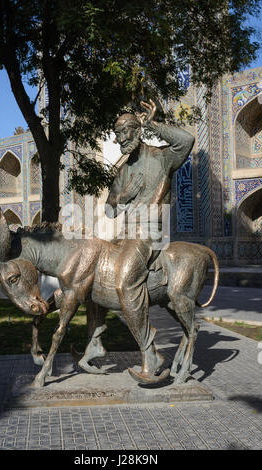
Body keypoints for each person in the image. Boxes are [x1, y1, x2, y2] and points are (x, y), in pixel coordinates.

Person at [105, 99, 195, 381]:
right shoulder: (121, 171)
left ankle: (149, 353)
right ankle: (93, 345)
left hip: (150, 230)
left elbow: (188, 140)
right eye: (117, 134)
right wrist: (122, 196)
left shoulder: (162, 158)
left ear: (137, 131)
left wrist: (153, 124)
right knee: (92, 273)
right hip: (127, 232)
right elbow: (109, 209)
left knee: (123, 282)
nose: (120, 139)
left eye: (124, 133)